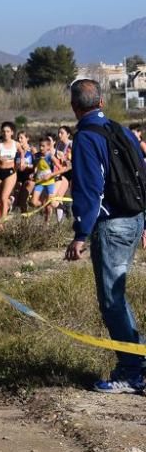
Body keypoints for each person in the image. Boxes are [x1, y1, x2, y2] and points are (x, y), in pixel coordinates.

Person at [65, 79, 146, 394]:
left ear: (75, 107)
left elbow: (88, 188)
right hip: (135, 218)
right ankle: (136, 360)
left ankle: (132, 371)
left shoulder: (86, 137)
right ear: (100, 102)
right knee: (119, 294)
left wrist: (80, 234)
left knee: (112, 299)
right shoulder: (120, 129)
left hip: (112, 225)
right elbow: (141, 172)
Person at [29, 135, 61, 222]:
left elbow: (61, 169)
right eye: (40, 145)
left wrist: (51, 175)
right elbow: (36, 167)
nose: (41, 147)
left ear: (48, 147)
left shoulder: (50, 156)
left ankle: (46, 223)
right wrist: (33, 173)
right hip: (39, 182)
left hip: (50, 182)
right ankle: (44, 204)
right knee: (33, 202)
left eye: (43, 146)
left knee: (50, 204)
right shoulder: (36, 156)